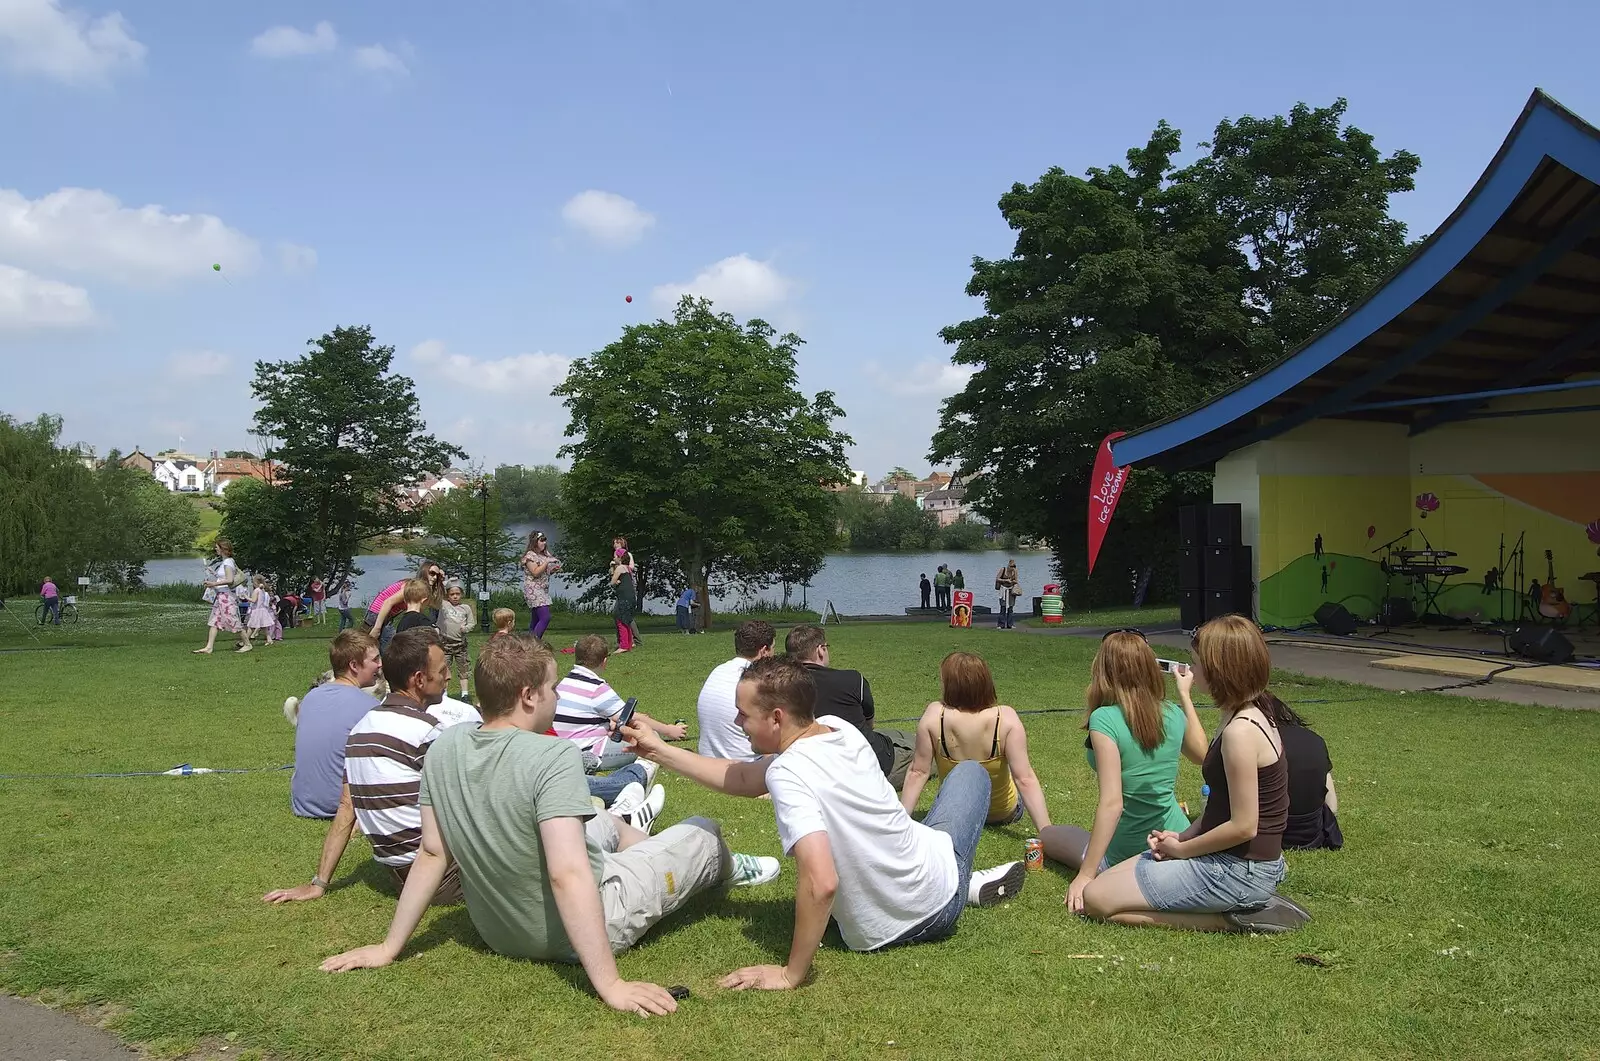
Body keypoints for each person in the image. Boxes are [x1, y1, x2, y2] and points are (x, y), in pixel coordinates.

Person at [319, 634, 780, 1018]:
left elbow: (433, 853)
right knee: (702, 830)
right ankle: (720, 867)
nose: (557, 697)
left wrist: (388, 947)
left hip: (496, 931)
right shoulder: (552, 756)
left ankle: (646, 852)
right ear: (528, 696)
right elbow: (567, 874)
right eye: (554, 688)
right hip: (580, 926)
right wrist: (610, 984)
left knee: (602, 821)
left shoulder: (445, 745)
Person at [622, 657, 1026, 991]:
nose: (736, 722)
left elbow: (822, 882)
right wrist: (658, 750)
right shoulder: (840, 728)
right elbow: (743, 778)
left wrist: (789, 974)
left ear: (776, 719)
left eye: (743, 714)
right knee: (970, 774)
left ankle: (965, 881)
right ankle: (967, 882)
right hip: (928, 891)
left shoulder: (788, 772)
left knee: (962, 785)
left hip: (908, 908)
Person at [1074, 615, 1311, 933]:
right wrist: (1182, 836)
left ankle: (1236, 920)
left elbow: (1244, 826)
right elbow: (1221, 806)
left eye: (1196, 663)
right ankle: (1245, 908)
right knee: (1102, 886)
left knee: (1095, 900)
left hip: (1239, 870)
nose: (1191, 670)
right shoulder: (1246, 713)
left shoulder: (1241, 731)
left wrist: (1183, 850)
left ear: (1219, 671)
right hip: (1233, 862)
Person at [263, 628, 482, 906]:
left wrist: (319, 882)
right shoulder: (427, 733)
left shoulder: (360, 729)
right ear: (418, 679)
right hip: (440, 877)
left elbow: (346, 807)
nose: (448, 676)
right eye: (442, 670)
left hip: (399, 878)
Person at [1038, 630, 1208, 913]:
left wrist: (1086, 874)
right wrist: (1184, 696)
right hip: (1174, 840)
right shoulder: (1173, 713)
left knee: (1047, 836)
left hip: (1123, 850)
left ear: (1103, 671)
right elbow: (1202, 755)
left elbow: (1112, 803)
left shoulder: (1104, 719)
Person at [900, 652, 1052, 829]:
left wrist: (900, 821)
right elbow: (1024, 779)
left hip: (956, 811)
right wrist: (1046, 831)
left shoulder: (934, 715)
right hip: (1002, 813)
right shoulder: (1006, 718)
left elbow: (918, 772)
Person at [785, 624, 914, 788]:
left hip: (826, 764)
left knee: (899, 736)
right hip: (871, 767)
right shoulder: (852, 679)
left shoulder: (780, 689)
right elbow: (869, 723)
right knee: (926, 751)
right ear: (820, 650)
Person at [555, 636, 686, 771]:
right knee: (650, 738)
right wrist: (669, 730)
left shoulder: (563, 683)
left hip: (563, 748)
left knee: (631, 733)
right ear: (604, 661)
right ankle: (668, 759)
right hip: (588, 749)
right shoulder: (596, 688)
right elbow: (630, 716)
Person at [289, 631, 383, 819]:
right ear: (354, 665)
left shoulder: (310, 698)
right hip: (340, 805)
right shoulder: (370, 708)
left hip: (302, 803)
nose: (380, 665)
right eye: (375, 659)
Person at [697, 620, 776, 760]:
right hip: (746, 764)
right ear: (764, 651)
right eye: (773, 648)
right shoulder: (758, 680)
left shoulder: (718, 671)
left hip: (709, 761)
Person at [1279, 708, 1343, 851]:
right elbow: (1332, 805)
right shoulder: (1316, 740)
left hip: (1273, 832)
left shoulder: (1261, 741)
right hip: (1312, 833)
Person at [365, 561, 445, 650]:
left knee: (383, 646)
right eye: (432, 573)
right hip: (377, 613)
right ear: (424, 571)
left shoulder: (418, 587)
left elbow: (433, 603)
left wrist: (441, 582)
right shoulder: (409, 586)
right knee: (391, 646)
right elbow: (388, 602)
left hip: (386, 616)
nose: (434, 577)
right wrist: (377, 628)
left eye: (437, 575)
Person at [195, 540, 243, 654]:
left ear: (223, 549)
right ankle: (209, 647)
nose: (215, 549)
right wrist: (214, 574)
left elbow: (230, 580)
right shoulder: (225, 562)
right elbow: (224, 578)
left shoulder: (228, 563)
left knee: (233, 621)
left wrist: (213, 584)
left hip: (227, 596)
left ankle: (247, 644)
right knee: (214, 622)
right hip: (221, 595)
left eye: (217, 547)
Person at [437, 583, 475, 702]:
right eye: (452, 594)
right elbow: (436, 593)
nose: (455, 596)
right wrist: (442, 581)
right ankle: (444, 694)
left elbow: (472, 623)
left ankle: (464, 694)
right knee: (445, 669)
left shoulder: (466, 608)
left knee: (463, 669)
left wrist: (466, 628)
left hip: (460, 644)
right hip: (445, 643)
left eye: (457, 594)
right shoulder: (443, 605)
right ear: (447, 595)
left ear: (461, 594)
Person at [521, 532, 561, 640]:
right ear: (535, 542)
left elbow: (543, 571)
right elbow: (535, 572)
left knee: (536, 619)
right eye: (541, 540)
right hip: (533, 589)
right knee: (545, 617)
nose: (544, 543)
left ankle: (527, 643)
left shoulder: (544, 554)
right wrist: (547, 561)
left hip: (543, 589)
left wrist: (552, 570)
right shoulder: (530, 556)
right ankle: (534, 642)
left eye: (545, 540)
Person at [610, 554, 637, 653]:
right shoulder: (627, 568)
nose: (613, 558)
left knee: (620, 619)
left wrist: (613, 568)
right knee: (626, 619)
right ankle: (629, 644)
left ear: (620, 558)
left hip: (624, 598)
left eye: (615, 556)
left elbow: (612, 582)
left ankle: (624, 646)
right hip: (630, 597)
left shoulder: (620, 567)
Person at [242, 576, 275, 650]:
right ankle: (269, 640)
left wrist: (246, 596)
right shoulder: (262, 590)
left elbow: (253, 600)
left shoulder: (257, 590)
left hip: (257, 610)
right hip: (262, 610)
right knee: (264, 626)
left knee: (251, 626)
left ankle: (245, 641)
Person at [995, 559, 1020, 629]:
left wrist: (1012, 581)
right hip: (1003, 589)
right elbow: (997, 578)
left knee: (1011, 607)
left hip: (1011, 590)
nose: (1012, 568)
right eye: (1011, 566)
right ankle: (1001, 624)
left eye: (1014, 566)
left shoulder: (1015, 571)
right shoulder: (1003, 569)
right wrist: (1005, 580)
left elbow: (1016, 581)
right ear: (1008, 565)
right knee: (1003, 607)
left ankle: (1010, 624)